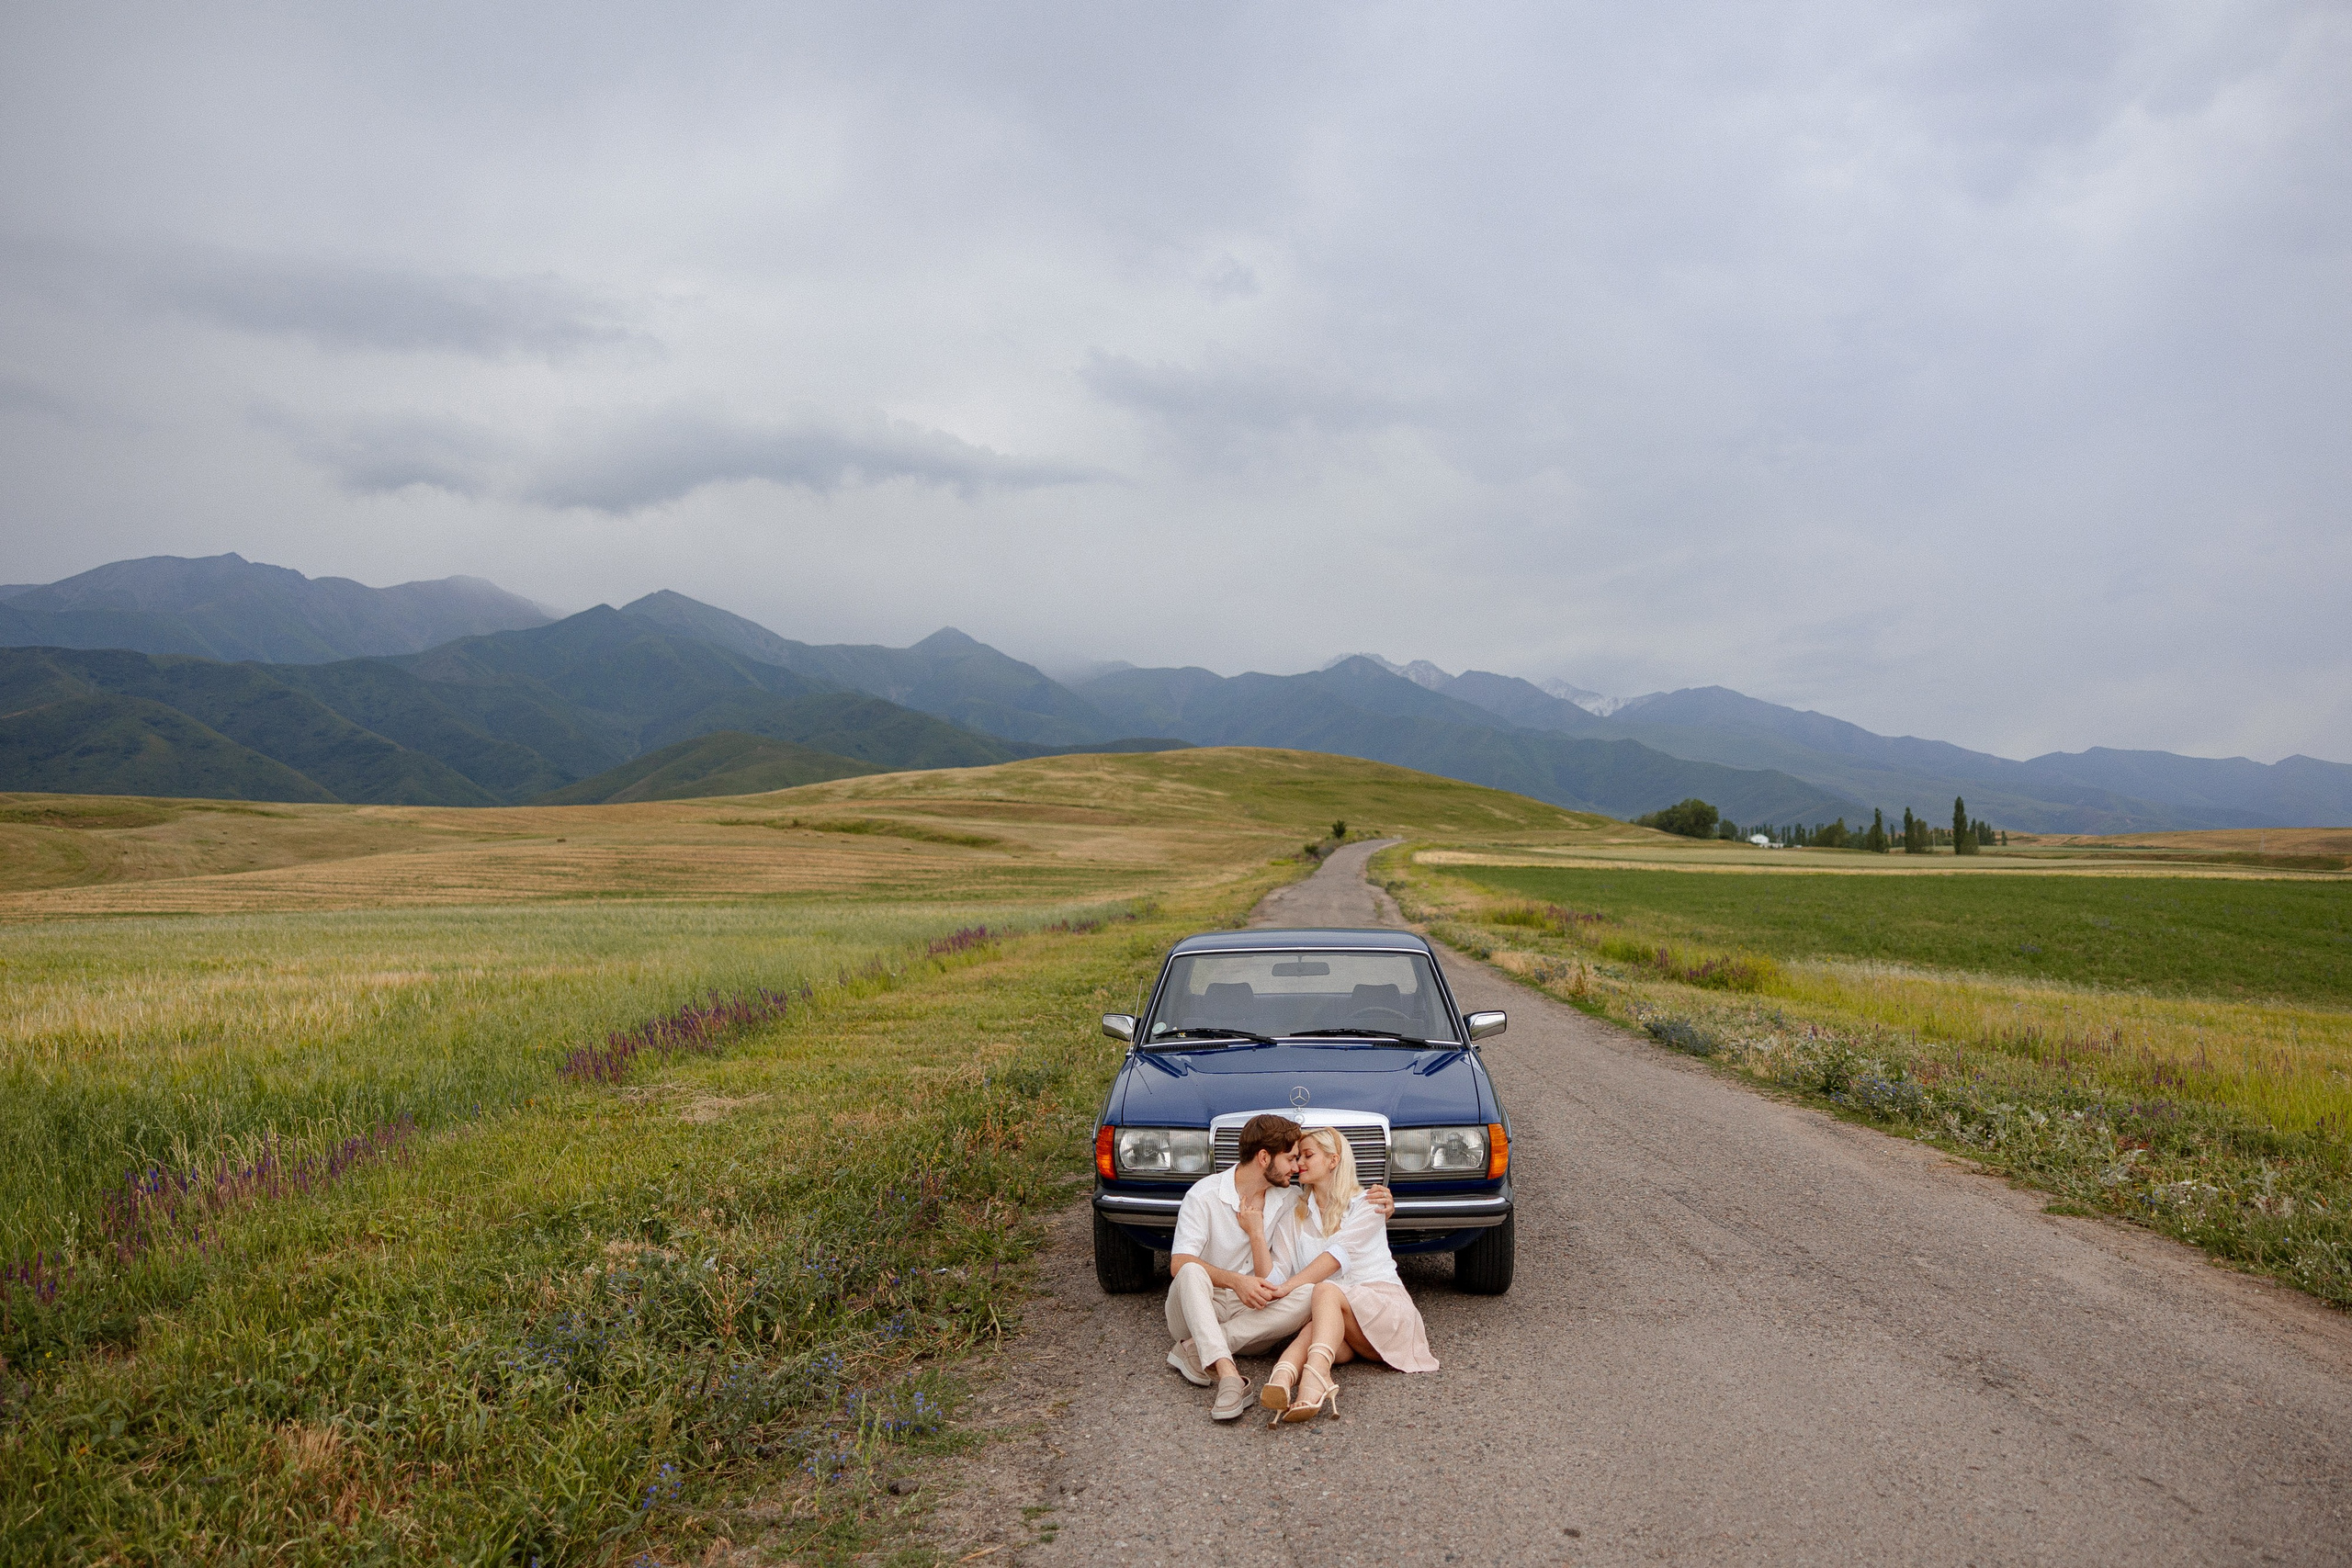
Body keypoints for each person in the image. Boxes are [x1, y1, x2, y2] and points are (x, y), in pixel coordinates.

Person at [1165, 1114, 1396, 1421]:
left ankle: (1196, 1348)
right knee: (1191, 1271)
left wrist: (1384, 1205)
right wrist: (1236, 1281)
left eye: (1300, 1158)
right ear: (1264, 1158)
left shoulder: (1290, 1200)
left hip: (1253, 1317)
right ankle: (1229, 1374)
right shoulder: (1204, 1195)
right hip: (1198, 1307)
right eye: (1290, 1158)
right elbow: (1178, 1264)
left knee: (1314, 1293)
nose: (1296, 1166)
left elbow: (1336, 1208)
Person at [1259, 1124, 1438, 1424]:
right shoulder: (1295, 1216)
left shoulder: (1368, 1203)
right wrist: (1256, 1245)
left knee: (1325, 1290)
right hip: (1352, 1332)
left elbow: (1335, 1258)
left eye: (1308, 1155)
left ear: (1333, 1160)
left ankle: (1312, 1378)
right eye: (1297, 1157)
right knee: (1318, 1320)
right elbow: (1277, 1272)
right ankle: (1284, 1378)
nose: (1299, 1163)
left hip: (1386, 1315)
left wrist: (1287, 1288)